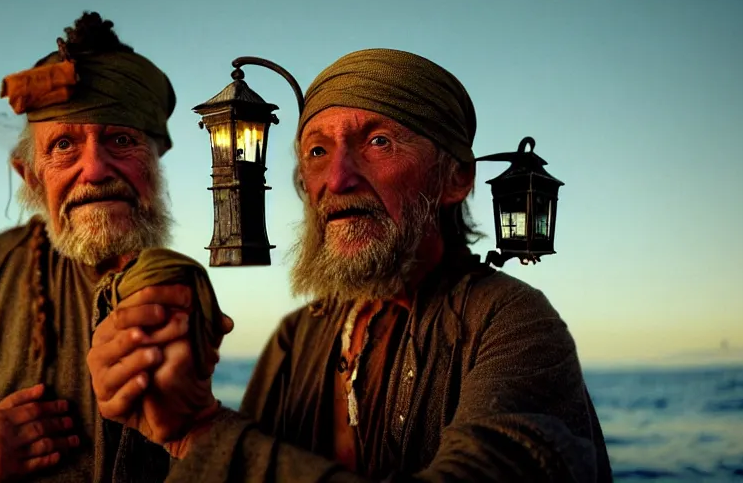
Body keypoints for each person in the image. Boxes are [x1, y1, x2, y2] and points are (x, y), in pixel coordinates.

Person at [90, 48, 614, 482]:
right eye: (317, 151)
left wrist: (205, 432)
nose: (338, 179)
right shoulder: (298, 337)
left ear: (455, 178)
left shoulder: (512, 321)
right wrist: (159, 401)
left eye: (378, 142)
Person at [0, 12, 222, 482]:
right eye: (65, 145)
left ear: (155, 166)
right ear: (31, 177)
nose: (95, 170)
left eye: (121, 139)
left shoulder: (179, 283)